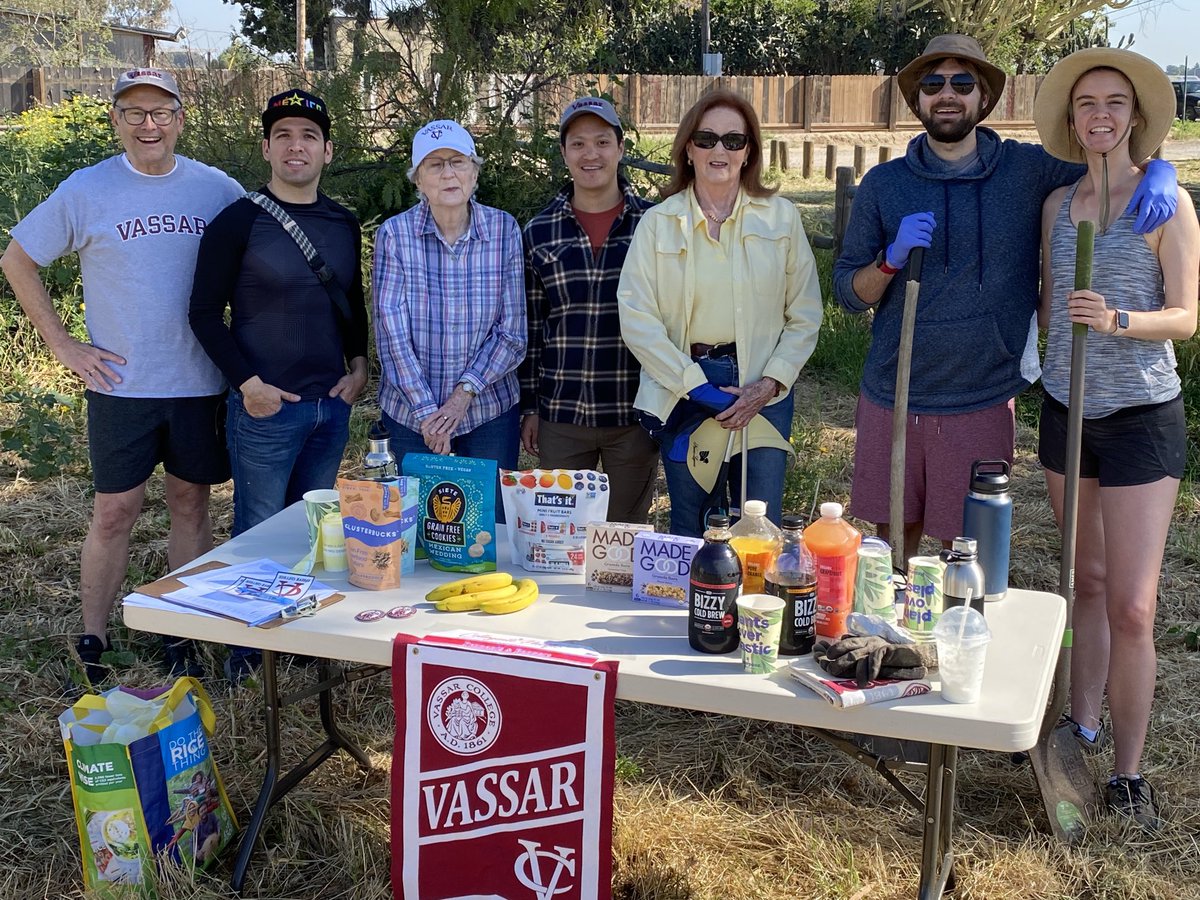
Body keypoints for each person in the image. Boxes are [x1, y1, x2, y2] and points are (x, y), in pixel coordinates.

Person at [832, 34, 1178, 563]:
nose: (947, 94)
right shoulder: (884, 184)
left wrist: (1160, 170)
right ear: (916, 99)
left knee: (963, 554)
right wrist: (890, 259)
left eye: (963, 83)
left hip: (984, 393)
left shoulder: (1027, 169)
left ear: (985, 98)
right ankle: (892, 643)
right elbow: (847, 294)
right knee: (891, 550)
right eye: (933, 83)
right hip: (895, 389)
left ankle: (953, 643)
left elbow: (1108, 161)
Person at [0, 68, 244, 683]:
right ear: (116, 121)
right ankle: (94, 635)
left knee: (190, 505)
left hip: (197, 381)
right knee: (115, 512)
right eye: (134, 113)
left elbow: (260, 260)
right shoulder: (87, 190)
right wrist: (61, 343)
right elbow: (18, 259)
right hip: (120, 385)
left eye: (160, 112)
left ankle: (181, 629)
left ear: (180, 119)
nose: (148, 125)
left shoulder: (216, 189)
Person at [1033, 48, 1198, 829]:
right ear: (1073, 120)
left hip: (1139, 420)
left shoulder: (1168, 203)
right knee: (1084, 583)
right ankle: (1081, 724)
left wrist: (1118, 321)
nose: (1100, 115)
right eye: (1087, 104)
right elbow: (1043, 299)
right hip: (1068, 413)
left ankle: (1128, 775)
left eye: (1115, 104)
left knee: (1133, 605)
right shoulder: (1058, 203)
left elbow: (1187, 317)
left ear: (1136, 118)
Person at [188, 89, 368, 682]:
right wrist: (247, 384)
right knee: (260, 530)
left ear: (327, 150)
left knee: (314, 532)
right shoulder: (239, 220)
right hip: (266, 409)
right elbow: (203, 314)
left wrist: (360, 362)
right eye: (285, 135)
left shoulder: (343, 223)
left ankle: (300, 636)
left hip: (329, 408)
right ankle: (248, 655)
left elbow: (352, 305)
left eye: (309, 136)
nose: (297, 145)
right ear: (266, 147)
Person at [618, 89, 823, 537]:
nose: (720, 150)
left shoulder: (781, 219)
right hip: (684, 386)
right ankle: (694, 608)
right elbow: (637, 317)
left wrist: (768, 385)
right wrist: (696, 386)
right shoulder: (658, 223)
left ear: (748, 151)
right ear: (688, 148)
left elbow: (806, 313)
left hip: (763, 388)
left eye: (734, 140)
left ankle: (751, 609)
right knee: (694, 527)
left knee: (758, 525)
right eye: (707, 138)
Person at [520, 97, 659, 523]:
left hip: (634, 411)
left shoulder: (654, 225)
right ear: (563, 153)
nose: (590, 154)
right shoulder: (538, 231)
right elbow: (531, 325)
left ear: (620, 147)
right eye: (578, 144)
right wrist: (530, 407)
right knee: (561, 539)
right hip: (562, 414)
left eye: (602, 141)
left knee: (623, 540)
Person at [373, 120, 525, 479]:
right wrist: (429, 413)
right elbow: (391, 334)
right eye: (435, 164)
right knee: (413, 525)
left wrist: (461, 397)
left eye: (458, 161)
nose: (448, 174)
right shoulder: (394, 235)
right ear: (418, 179)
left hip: (487, 409)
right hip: (410, 414)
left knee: (491, 526)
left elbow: (513, 332)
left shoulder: (504, 230)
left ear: (474, 172)